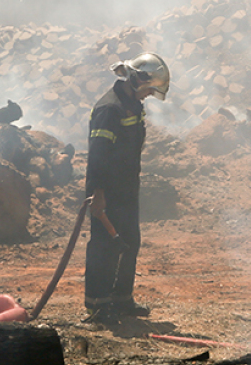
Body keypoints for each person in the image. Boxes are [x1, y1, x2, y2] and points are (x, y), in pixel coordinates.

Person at [84, 52, 170, 321]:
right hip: (106, 192)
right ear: (136, 80)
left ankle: (122, 300)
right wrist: (97, 195)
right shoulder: (109, 109)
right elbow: (97, 156)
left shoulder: (132, 104)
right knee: (105, 247)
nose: (148, 95)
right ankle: (98, 304)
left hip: (127, 188)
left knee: (129, 243)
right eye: (148, 89)